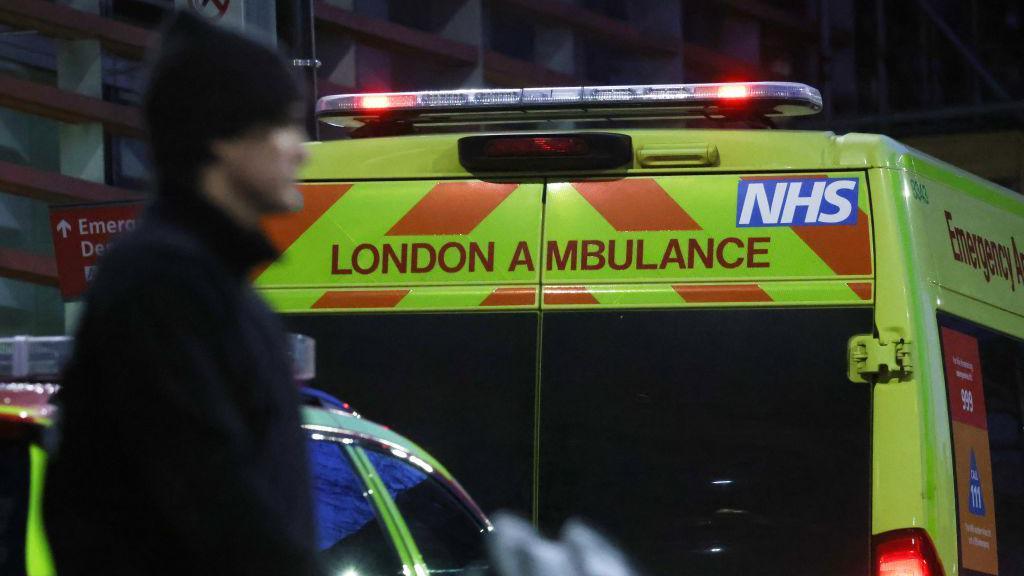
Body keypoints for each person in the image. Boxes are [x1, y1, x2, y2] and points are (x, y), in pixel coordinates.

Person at [43, 10, 318, 575]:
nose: (302, 149)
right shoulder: (162, 282)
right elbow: (213, 496)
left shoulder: (211, 284)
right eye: (284, 125)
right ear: (221, 137)